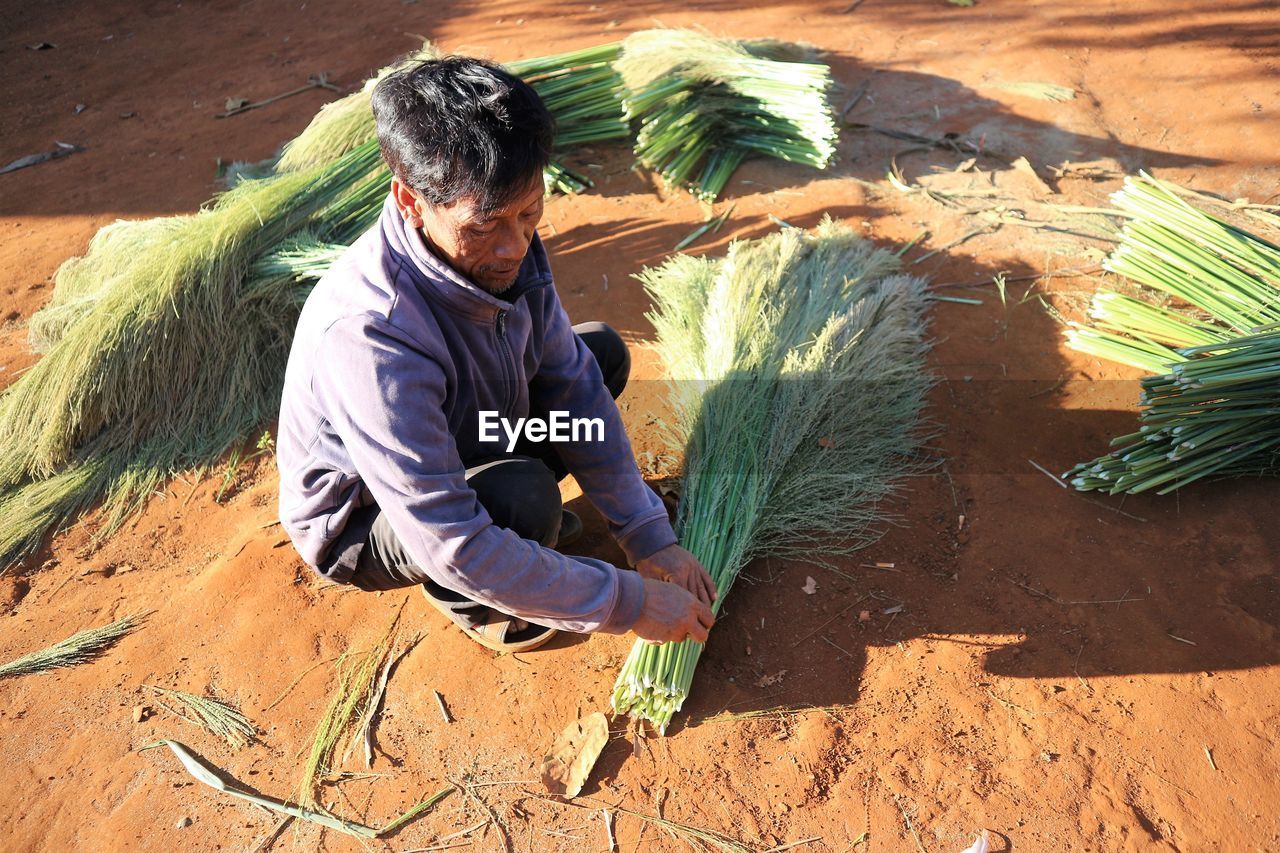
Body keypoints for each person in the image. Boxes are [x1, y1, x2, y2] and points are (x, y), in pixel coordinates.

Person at [276, 55, 716, 653]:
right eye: (484, 226)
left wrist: (646, 535)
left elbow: (571, 388)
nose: (513, 246)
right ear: (410, 200)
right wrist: (626, 602)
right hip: (371, 514)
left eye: (530, 212)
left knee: (597, 358)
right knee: (522, 497)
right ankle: (477, 602)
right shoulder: (371, 335)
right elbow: (447, 535)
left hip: (466, 426)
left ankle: (513, 532)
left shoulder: (505, 246)